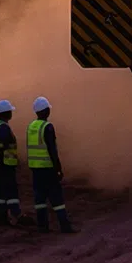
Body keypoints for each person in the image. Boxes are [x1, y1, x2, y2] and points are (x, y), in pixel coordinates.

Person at [26, 97, 75, 233]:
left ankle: (42, 226)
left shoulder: (31, 126)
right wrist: (58, 168)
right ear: (45, 111)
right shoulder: (47, 127)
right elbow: (52, 149)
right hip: (47, 168)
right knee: (57, 198)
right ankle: (64, 226)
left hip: (35, 169)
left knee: (40, 199)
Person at [0, 99, 21, 226]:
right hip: (5, 164)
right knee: (11, 190)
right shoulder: (3, 127)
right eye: (10, 111)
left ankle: (1, 216)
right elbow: (2, 145)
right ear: (6, 113)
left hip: (0, 163)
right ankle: (15, 213)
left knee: (1, 192)